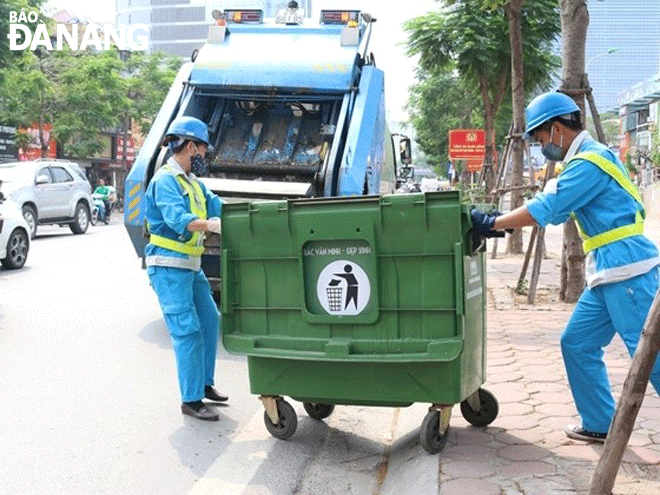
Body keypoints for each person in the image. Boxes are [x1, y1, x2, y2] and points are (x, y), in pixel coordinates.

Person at [471, 91, 660, 443]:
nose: (543, 148)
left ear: (557, 129)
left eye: (542, 139)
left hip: (627, 269)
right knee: (576, 342)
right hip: (606, 272)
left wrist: (492, 222)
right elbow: (549, 205)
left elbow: (551, 206)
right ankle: (600, 423)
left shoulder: (590, 162)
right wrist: (503, 223)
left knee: (651, 355)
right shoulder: (583, 160)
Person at [145, 116, 228, 421]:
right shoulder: (165, 181)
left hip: (190, 267)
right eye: (204, 150)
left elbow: (218, 205)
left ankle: (204, 383)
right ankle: (190, 400)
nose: (205, 157)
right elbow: (176, 218)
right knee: (188, 332)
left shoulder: (193, 183)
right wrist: (209, 225)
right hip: (168, 267)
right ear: (191, 146)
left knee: (209, 321)